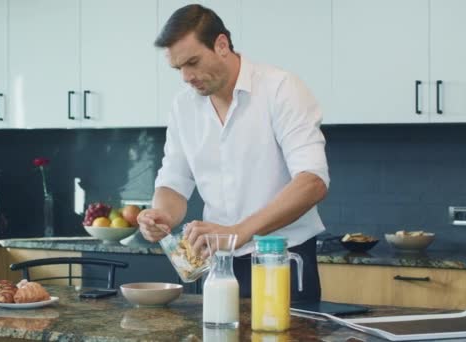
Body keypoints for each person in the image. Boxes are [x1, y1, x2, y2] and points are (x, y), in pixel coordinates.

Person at [137, 4, 329, 302]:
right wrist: (162, 215)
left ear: (222, 44)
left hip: (280, 262)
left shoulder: (281, 89)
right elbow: (174, 181)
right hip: (218, 266)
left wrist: (240, 231)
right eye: (179, 68)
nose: (187, 77)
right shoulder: (183, 106)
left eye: (193, 62)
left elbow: (312, 181)